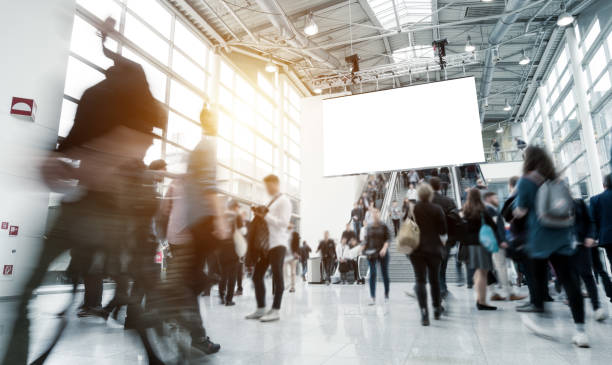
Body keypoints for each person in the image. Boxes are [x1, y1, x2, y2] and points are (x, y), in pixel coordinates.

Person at [513, 146, 588, 347]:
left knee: (536, 280)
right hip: (563, 235)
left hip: (539, 238)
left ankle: (539, 316)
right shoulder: (556, 179)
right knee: (570, 282)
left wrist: (518, 213)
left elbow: (520, 210)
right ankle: (581, 331)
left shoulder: (526, 181)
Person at [246, 174, 292, 322]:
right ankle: (261, 309)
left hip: (278, 243)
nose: (266, 189)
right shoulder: (271, 202)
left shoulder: (284, 201)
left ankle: (276, 310)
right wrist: (260, 214)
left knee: (277, 276)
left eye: (268, 186)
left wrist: (265, 216)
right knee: (257, 275)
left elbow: (284, 223)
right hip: (266, 245)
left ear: (275, 183)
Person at [409, 183, 447, 326]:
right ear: (430, 194)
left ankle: (424, 313)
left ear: (418, 195)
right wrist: (441, 244)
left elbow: (406, 226)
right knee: (434, 280)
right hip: (434, 249)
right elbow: (443, 232)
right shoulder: (437, 209)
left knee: (420, 280)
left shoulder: (414, 209)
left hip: (416, 250)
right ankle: (437, 309)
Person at [484, 191, 526, 302]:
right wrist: (500, 240)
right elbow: (494, 227)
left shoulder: (487, 210)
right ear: (488, 198)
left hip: (491, 244)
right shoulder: (490, 210)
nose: (497, 200)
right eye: (495, 198)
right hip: (496, 244)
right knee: (501, 268)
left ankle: (493, 293)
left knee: (493, 269)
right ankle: (509, 293)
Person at [462, 188, 500, 310]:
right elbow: (494, 226)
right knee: (483, 273)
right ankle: (482, 302)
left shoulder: (466, 210)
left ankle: (479, 299)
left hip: (470, 245)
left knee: (478, 272)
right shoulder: (482, 210)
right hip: (482, 244)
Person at [572, 198, 606, 321]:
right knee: (571, 280)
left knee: (587, 275)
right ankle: (577, 313)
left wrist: (591, 236)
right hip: (564, 248)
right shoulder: (552, 207)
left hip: (582, 245)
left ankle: (597, 307)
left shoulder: (579, 203)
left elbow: (590, 221)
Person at [429, 177, 460, 300]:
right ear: (440, 187)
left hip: (430, 240)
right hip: (446, 239)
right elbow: (456, 220)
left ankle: (436, 289)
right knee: (443, 266)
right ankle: (442, 288)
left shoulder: (424, 203)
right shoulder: (449, 201)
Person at [589, 173, 612, 302]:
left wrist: (594, 237)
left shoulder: (596, 200)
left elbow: (593, 220)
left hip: (608, 237)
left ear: (604, 185)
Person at [362, 207, 391, 305]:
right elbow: (366, 240)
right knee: (373, 273)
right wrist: (363, 247)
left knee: (384, 274)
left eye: (376, 213)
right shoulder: (369, 227)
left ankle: (386, 294)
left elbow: (388, 239)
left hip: (382, 253)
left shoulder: (384, 226)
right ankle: (372, 297)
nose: (375, 215)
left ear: (379, 214)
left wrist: (384, 248)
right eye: (373, 213)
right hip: (371, 253)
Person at [218, 200, 244, 306]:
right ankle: (229, 300)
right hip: (233, 248)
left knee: (223, 274)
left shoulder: (222, 216)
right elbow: (242, 232)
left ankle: (222, 296)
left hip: (222, 249)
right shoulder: (237, 216)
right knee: (232, 275)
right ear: (235, 207)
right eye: (238, 207)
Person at [286, 225, 300, 293]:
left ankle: (292, 287)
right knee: (282, 271)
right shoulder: (284, 233)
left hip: (293, 256)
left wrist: (296, 252)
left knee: (293, 272)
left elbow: (297, 244)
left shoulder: (295, 234)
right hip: (285, 256)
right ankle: (284, 285)